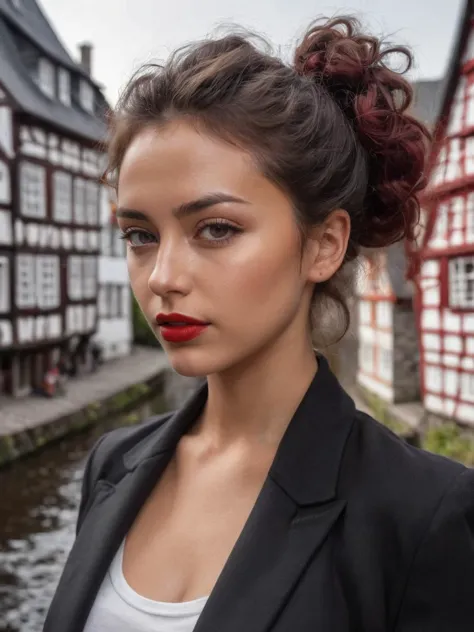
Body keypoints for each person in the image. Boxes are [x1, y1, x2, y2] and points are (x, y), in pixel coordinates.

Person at [44, 17, 474, 632]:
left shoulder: (420, 513)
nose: (162, 275)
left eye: (216, 228)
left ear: (324, 245)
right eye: (139, 236)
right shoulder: (113, 464)